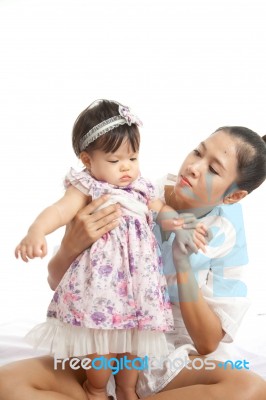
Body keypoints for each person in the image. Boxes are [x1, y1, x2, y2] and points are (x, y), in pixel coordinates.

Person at [1, 126, 266, 400]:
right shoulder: (134, 193)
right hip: (105, 343)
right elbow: (58, 282)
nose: (193, 167)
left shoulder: (228, 235)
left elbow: (208, 342)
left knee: (251, 390)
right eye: (197, 152)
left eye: (213, 169)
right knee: (6, 384)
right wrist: (70, 245)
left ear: (234, 196)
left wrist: (181, 262)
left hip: (172, 357)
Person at [14, 99, 206, 400]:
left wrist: (181, 224)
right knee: (100, 347)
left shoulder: (142, 188)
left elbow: (162, 210)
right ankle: (96, 388)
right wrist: (36, 231)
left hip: (139, 286)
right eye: (115, 161)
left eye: (133, 157)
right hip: (102, 290)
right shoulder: (87, 186)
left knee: (135, 345)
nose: (127, 167)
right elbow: (59, 210)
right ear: (88, 160)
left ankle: (129, 390)